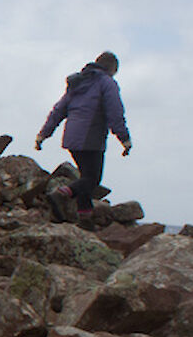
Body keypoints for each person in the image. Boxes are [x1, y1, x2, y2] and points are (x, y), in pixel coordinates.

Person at [35, 50, 131, 224]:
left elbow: (58, 110)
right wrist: (124, 139)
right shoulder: (107, 83)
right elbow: (115, 112)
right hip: (91, 137)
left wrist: (43, 134)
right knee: (92, 179)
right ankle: (61, 194)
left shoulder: (78, 83)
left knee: (85, 177)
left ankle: (85, 219)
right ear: (112, 69)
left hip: (72, 138)